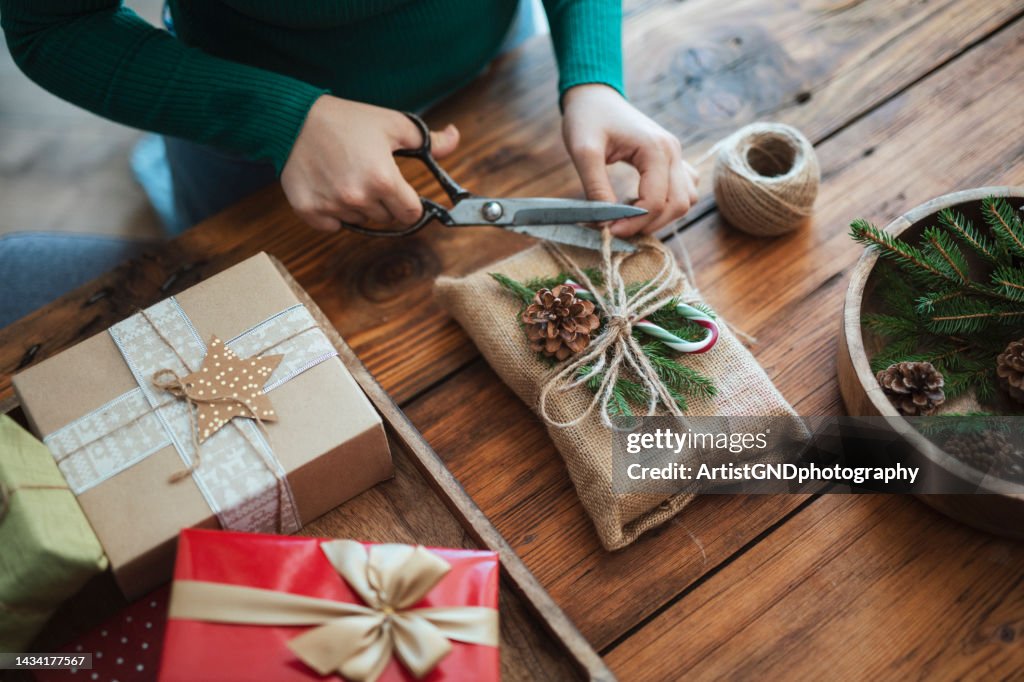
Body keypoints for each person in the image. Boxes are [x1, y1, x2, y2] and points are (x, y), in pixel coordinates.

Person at [0, 1, 699, 325]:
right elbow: (49, 26)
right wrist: (282, 119)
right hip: (256, 155)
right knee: (217, 282)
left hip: (495, 74)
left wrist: (594, 75)